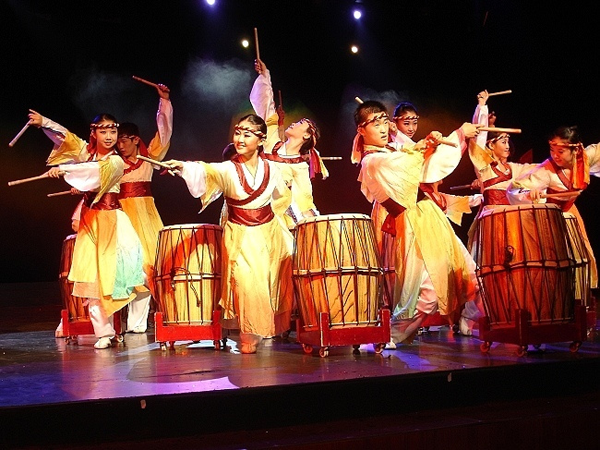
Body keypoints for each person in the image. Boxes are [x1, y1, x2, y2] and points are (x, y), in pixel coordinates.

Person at [352, 100, 480, 346]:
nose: (382, 128)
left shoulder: (392, 150)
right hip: (411, 224)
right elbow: (413, 166)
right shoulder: (373, 161)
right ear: (361, 130)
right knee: (427, 290)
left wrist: (430, 145)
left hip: (428, 218)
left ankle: (470, 319)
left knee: (470, 274)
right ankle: (390, 334)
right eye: (375, 124)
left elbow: (418, 160)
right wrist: (454, 137)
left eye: (384, 122)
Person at [164, 114, 294, 354]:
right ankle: (248, 333)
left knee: (265, 284)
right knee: (244, 282)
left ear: (261, 140)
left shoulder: (272, 168)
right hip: (240, 235)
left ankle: (259, 329)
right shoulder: (228, 169)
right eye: (238, 133)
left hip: (268, 233)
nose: (240, 139)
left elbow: (282, 198)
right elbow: (205, 170)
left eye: (247, 134)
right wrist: (183, 167)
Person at [28, 111, 149, 349]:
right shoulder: (88, 153)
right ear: (94, 133)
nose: (109, 136)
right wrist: (45, 123)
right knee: (91, 278)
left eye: (113, 131)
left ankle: (128, 320)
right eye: (103, 131)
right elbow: (67, 139)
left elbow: (93, 174)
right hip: (91, 221)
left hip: (113, 220)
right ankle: (104, 332)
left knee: (131, 270)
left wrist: (65, 170)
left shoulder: (116, 161)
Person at [507, 125, 600, 292]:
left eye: (560, 152)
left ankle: (580, 298)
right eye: (552, 150)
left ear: (575, 150)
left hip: (570, 213)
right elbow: (514, 189)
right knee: (558, 260)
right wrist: (529, 193)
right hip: (550, 218)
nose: (555, 155)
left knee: (582, 255)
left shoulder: (585, 158)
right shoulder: (546, 170)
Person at [116, 83, 173, 332]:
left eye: (124, 141)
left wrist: (164, 102)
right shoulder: (114, 164)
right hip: (121, 217)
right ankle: (122, 322)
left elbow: (164, 133)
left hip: (146, 217)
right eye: (118, 142)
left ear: (135, 140)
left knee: (148, 266)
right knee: (124, 269)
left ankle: (139, 323)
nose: (120, 146)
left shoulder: (148, 158)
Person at [250, 58, 328, 228]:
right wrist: (265, 76)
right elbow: (267, 107)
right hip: (255, 207)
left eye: (300, 123)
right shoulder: (272, 143)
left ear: (306, 136)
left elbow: (304, 199)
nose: (294, 123)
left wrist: (315, 225)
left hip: (279, 219)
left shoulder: (300, 166)